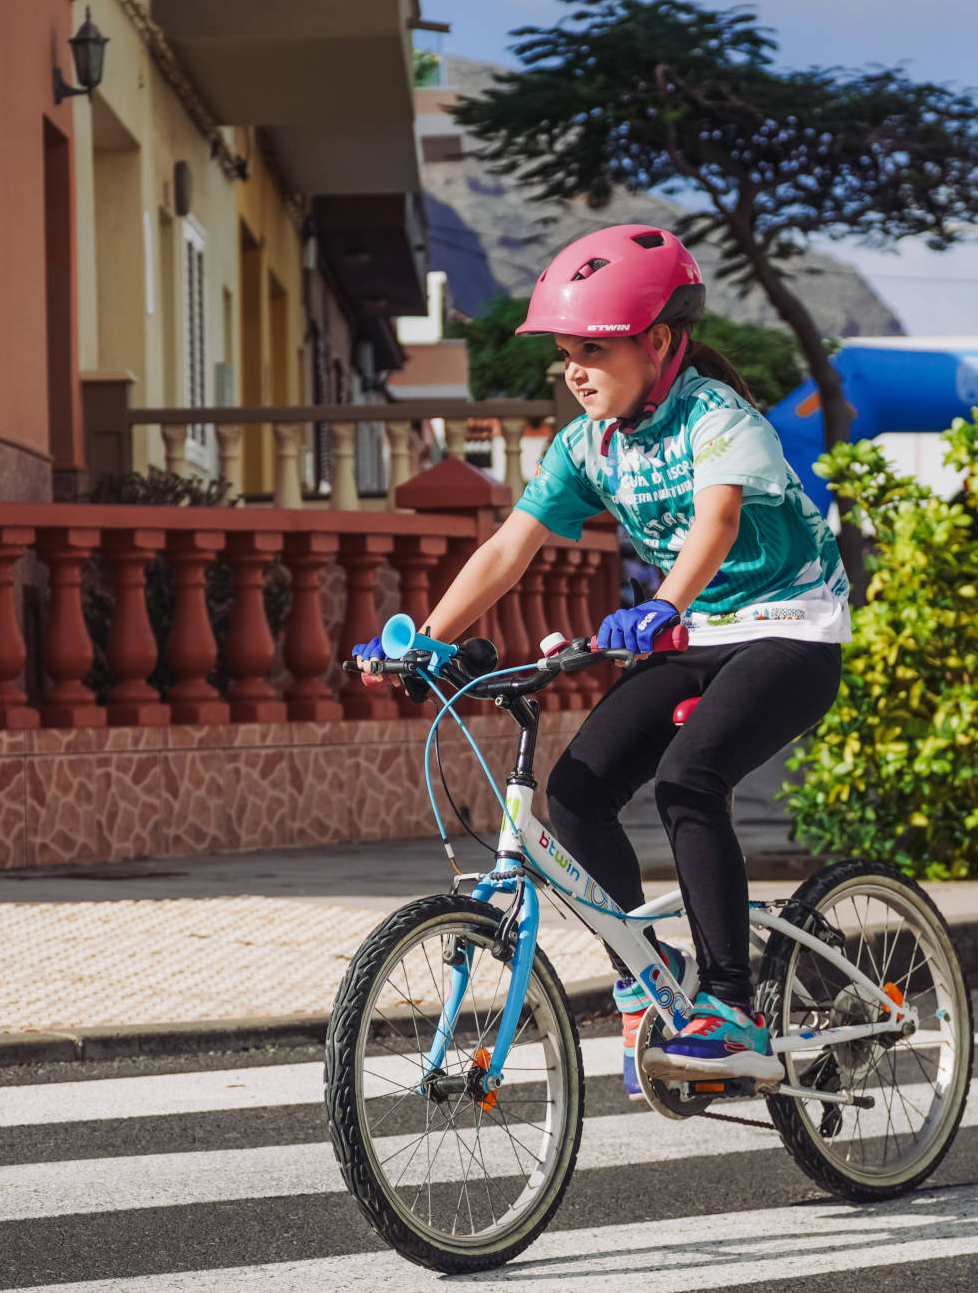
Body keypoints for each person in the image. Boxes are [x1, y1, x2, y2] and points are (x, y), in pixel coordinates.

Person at [353, 224, 849, 1092]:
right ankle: (648, 969)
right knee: (577, 795)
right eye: (567, 352)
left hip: (791, 627)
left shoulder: (717, 416)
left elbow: (716, 525)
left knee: (691, 777)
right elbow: (509, 549)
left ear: (658, 341)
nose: (575, 368)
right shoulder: (589, 445)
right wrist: (427, 637)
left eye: (594, 348)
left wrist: (662, 604)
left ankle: (728, 1003)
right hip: (697, 634)